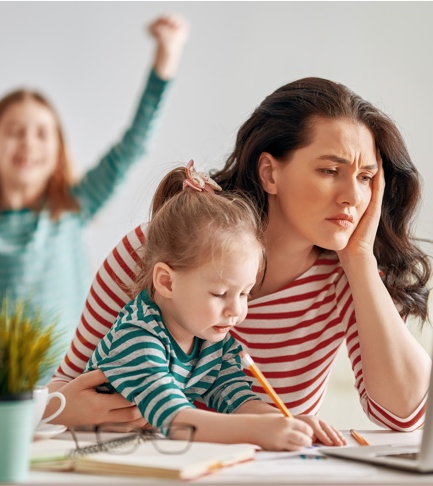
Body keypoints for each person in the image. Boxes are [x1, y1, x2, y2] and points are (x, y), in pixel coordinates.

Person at [47, 76, 433, 432]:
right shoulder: (152, 251)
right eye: (329, 171)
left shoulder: (347, 277)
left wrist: (360, 260)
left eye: (366, 178)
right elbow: (63, 386)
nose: (353, 196)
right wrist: (63, 410)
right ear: (270, 173)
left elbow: (404, 414)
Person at [84, 160, 345, 449]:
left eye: (245, 293)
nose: (237, 311)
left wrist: (286, 421)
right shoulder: (137, 338)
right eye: (220, 294)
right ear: (167, 282)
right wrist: (258, 431)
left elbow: (237, 400)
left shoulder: (208, 339)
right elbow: (174, 420)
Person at [0, 14, 189, 383]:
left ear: (58, 152)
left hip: (71, 383)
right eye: (15, 132)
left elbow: (133, 145)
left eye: (42, 134)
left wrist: (166, 58)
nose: (29, 143)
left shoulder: (72, 207)